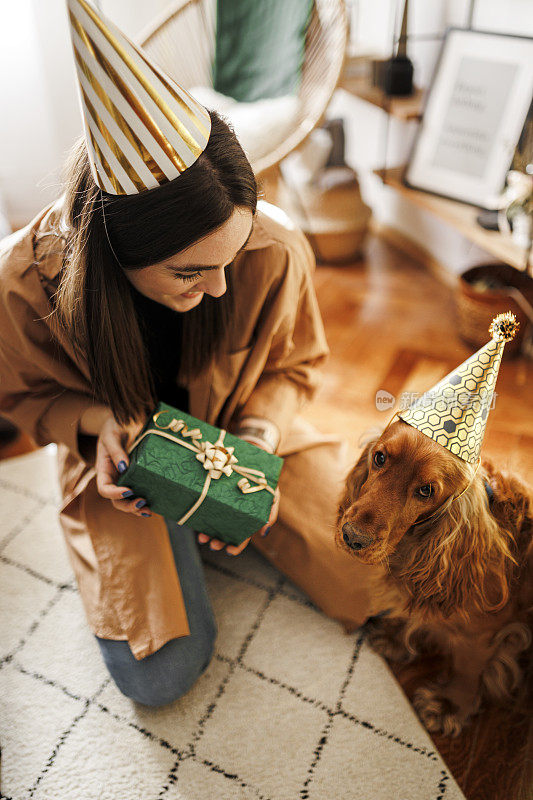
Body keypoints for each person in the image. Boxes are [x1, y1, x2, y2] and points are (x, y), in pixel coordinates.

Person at [0, 0, 380, 707]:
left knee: (378, 581)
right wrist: (93, 425)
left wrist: (258, 441)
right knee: (161, 672)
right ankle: (169, 543)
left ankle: (213, 532)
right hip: (127, 464)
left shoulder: (272, 245)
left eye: (231, 257)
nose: (219, 288)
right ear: (114, 253)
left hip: (244, 433)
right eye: (187, 273)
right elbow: (21, 397)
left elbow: (294, 366)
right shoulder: (22, 282)